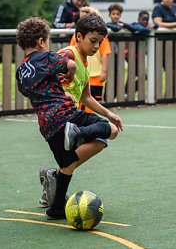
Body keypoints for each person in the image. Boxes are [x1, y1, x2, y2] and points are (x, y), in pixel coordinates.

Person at [16, 16, 122, 219]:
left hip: (49, 124)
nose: (97, 46)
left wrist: (109, 113)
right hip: (66, 116)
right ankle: (73, 142)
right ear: (79, 37)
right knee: (108, 131)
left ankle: (55, 204)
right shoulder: (66, 54)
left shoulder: (23, 70)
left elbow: (86, 96)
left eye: (99, 42)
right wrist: (66, 89)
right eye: (93, 41)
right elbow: (60, 68)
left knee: (74, 160)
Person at [70, 6, 111, 110]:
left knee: (92, 105)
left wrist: (104, 71)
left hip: (96, 74)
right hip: (80, 74)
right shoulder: (70, 51)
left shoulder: (101, 36)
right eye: (81, 18)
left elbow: (105, 53)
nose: (97, 46)